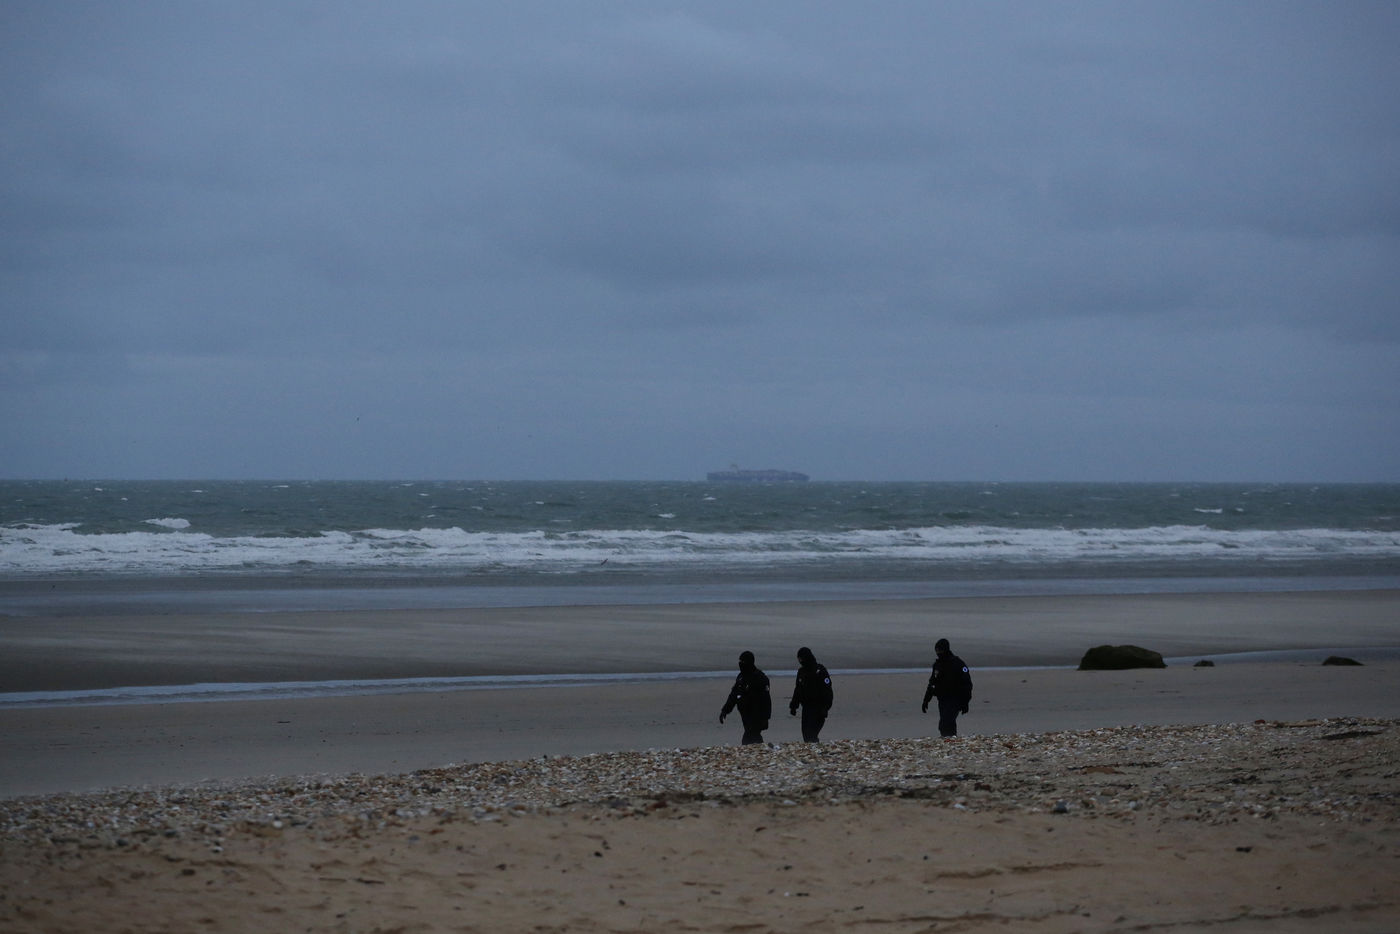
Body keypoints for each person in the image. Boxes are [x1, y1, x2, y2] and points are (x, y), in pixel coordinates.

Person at [921, 637, 973, 738]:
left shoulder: (958, 664)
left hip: (956, 699)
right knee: (945, 723)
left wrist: (965, 702)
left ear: (946, 649)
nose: (938, 653)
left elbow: (967, 684)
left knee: (946, 722)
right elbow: (932, 683)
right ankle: (950, 740)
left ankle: (950, 739)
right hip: (942, 699)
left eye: (940, 650)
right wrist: (926, 700)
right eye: (936, 651)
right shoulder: (937, 665)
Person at [719, 651, 772, 745]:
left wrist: (766, 717)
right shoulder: (741, 677)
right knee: (754, 738)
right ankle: (763, 750)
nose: (740, 664)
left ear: (749, 662)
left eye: (742, 662)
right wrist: (725, 710)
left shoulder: (760, 678)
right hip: (745, 715)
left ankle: (763, 750)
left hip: (757, 715)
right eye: (739, 661)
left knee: (749, 738)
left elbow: (766, 700)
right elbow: (734, 695)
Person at [788, 646, 834, 742]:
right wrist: (794, 706)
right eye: (798, 659)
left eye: (801, 659)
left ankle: (815, 749)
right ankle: (814, 749)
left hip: (819, 708)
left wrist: (825, 708)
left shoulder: (820, 671)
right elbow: (798, 690)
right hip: (806, 708)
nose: (800, 661)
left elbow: (828, 691)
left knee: (811, 734)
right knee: (806, 734)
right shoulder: (801, 672)